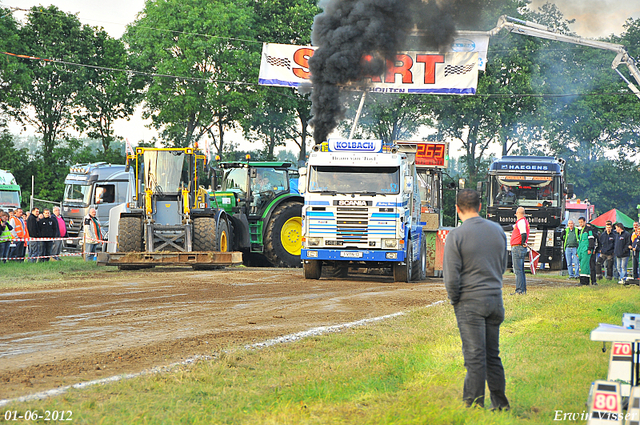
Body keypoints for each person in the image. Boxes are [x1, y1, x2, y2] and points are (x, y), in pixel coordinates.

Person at [444, 189, 510, 410]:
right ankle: (500, 405)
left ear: (457, 208)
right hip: (494, 299)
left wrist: (456, 300)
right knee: (493, 355)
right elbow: (502, 267)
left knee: (474, 357)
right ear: (480, 207)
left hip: (470, 302)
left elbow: (451, 278)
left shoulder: (456, 235)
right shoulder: (498, 231)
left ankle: (473, 406)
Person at [510, 207, 529, 295]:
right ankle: (523, 290)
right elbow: (510, 227)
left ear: (517, 213)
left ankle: (519, 290)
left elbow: (523, 233)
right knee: (521, 270)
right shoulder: (523, 221)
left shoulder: (521, 221)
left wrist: (522, 242)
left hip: (517, 247)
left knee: (517, 270)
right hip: (520, 247)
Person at [577, 217, 598, 286]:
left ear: (585, 222)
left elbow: (591, 240)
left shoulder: (589, 230)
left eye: (581, 222)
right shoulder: (580, 231)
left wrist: (590, 249)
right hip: (581, 251)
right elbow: (580, 242)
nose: (580, 223)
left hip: (586, 250)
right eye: (579, 222)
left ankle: (584, 282)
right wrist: (578, 252)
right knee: (582, 266)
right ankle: (583, 281)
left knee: (586, 266)